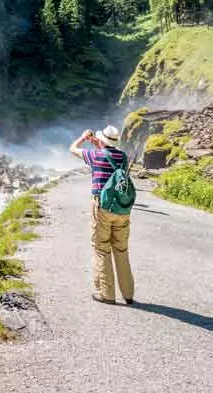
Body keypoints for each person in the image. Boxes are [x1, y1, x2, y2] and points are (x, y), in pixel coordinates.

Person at [70, 125, 135, 305]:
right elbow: (110, 155)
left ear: (102, 140)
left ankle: (107, 294)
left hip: (102, 207)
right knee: (121, 249)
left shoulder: (95, 156)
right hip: (122, 208)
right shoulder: (122, 157)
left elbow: (72, 149)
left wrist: (84, 138)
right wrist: (99, 143)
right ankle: (128, 294)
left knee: (101, 248)